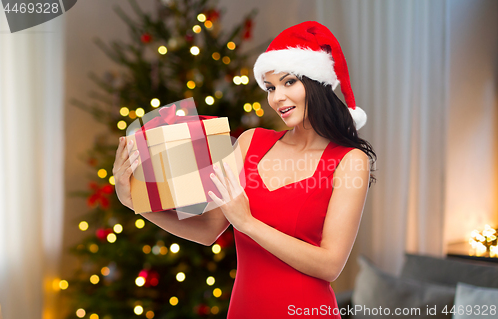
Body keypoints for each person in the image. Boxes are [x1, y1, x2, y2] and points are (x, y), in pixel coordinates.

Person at [113, 21, 376, 318]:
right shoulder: (251, 143)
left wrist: (248, 223)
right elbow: (209, 230)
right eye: (270, 87)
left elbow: (330, 265)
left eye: (289, 82)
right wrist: (134, 203)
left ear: (317, 83)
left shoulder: (350, 160)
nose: (277, 98)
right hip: (244, 309)